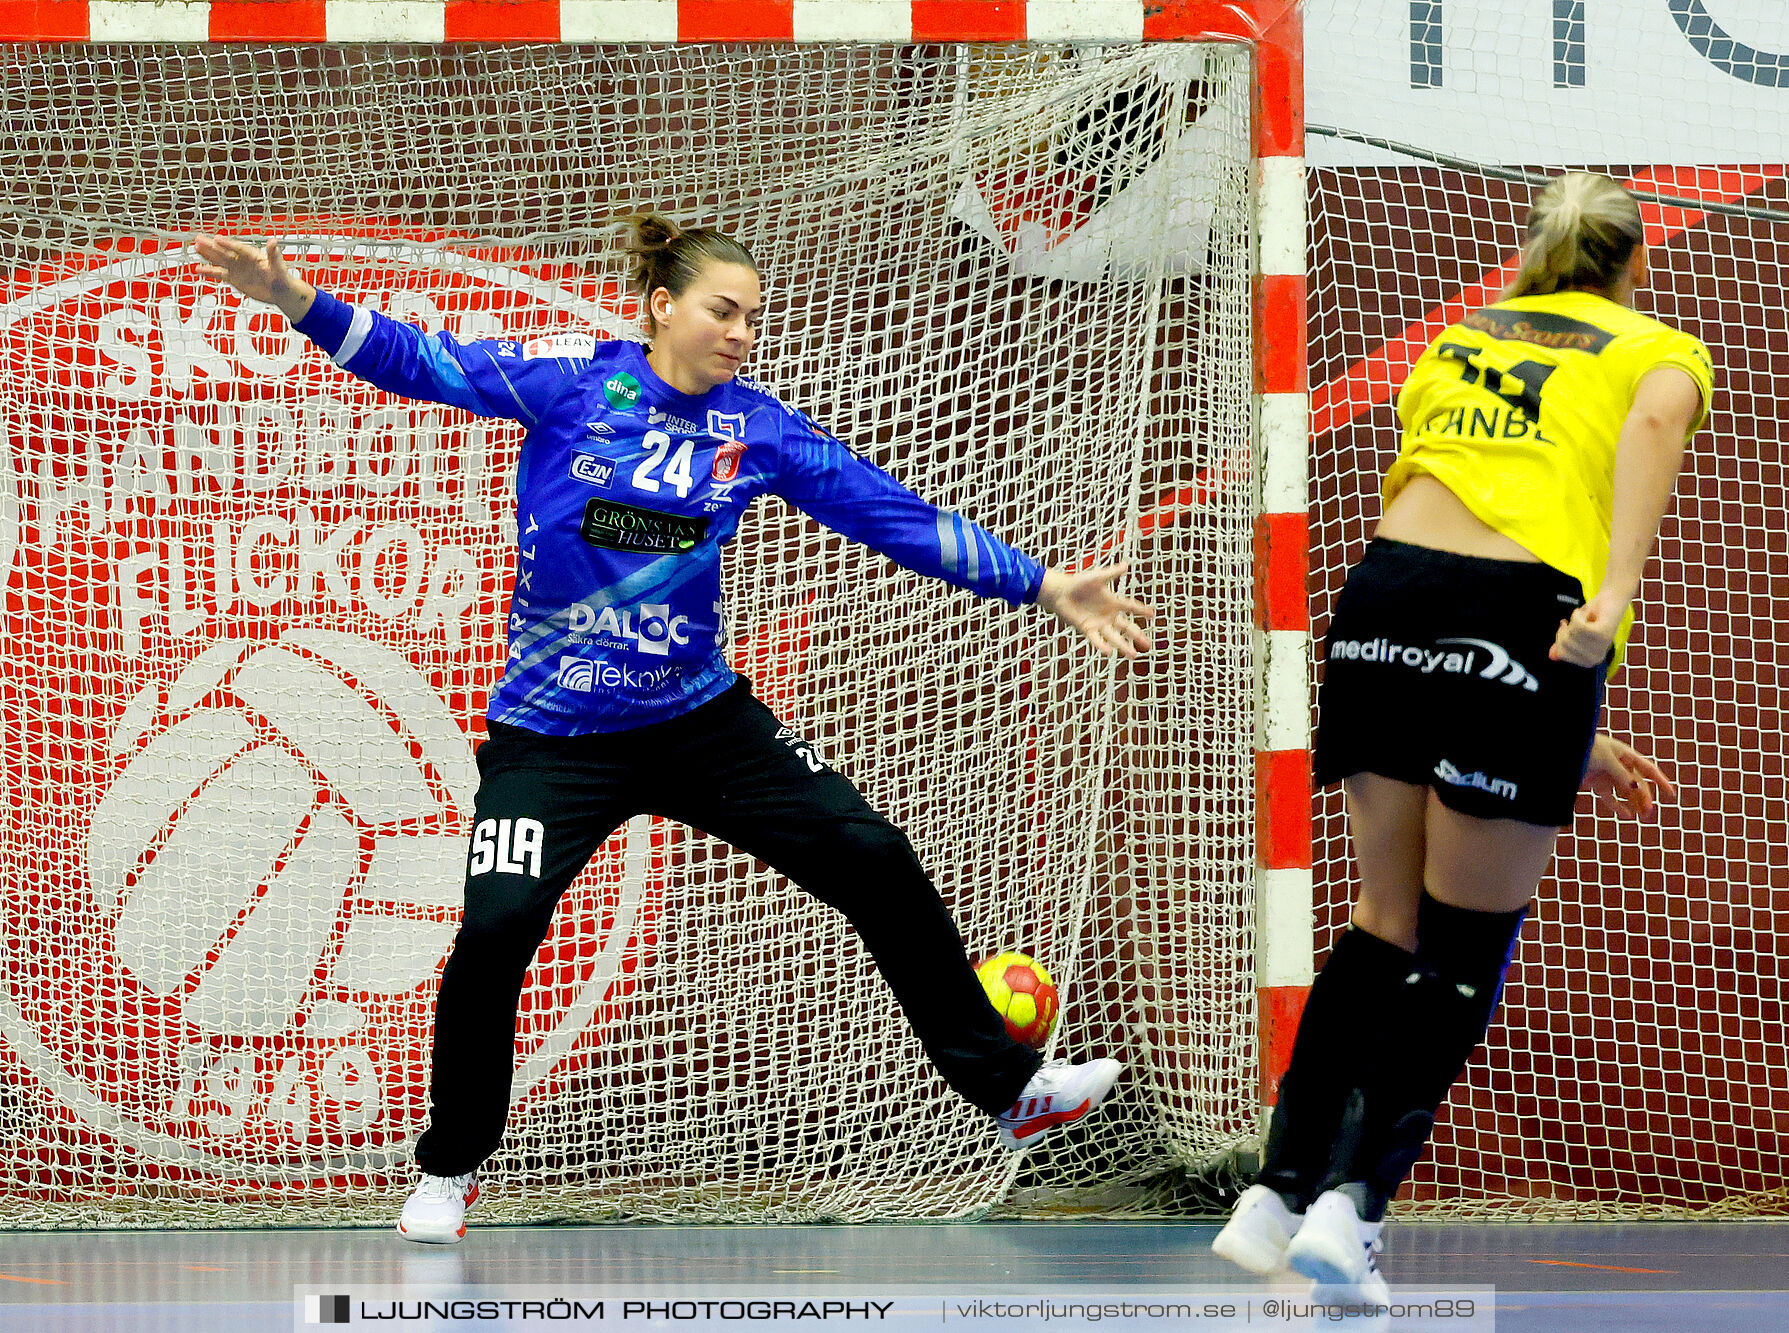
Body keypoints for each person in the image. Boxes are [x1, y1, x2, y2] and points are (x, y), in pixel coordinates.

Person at [195, 215, 1152, 1244]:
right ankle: (450, 1170)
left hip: (699, 722)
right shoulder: (573, 389)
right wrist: (297, 303)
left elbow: (892, 515)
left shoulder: (757, 430)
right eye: (721, 310)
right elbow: (419, 361)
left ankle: (1009, 1090)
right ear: (661, 308)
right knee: (496, 932)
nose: (741, 332)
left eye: (752, 317)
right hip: (552, 737)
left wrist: (1043, 583)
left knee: (872, 855)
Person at [1211, 172, 1706, 1299]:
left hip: (1384, 602)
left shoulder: (1454, 338)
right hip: (1518, 622)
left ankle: (1274, 1189)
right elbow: (1652, 422)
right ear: (1633, 262)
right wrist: (1611, 600)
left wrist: (1566, 730)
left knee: (1379, 917)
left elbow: (1478, 505)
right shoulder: (1656, 345)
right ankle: (1353, 1205)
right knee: (1460, 941)